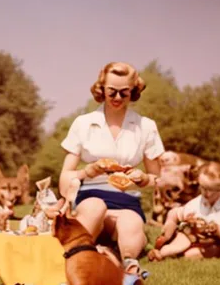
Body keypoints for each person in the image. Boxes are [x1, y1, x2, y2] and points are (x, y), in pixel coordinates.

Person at [59, 61, 165, 273]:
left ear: (133, 92)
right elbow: (64, 181)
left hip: (127, 199)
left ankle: (128, 265)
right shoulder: (83, 123)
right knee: (95, 207)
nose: (117, 98)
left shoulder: (146, 126)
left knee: (131, 223)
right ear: (101, 90)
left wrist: (143, 179)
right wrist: (86, 171)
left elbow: (158, 179)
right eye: (112, 92)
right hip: (90, 196)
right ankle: (77, 257)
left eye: (124, 93)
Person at [147, 162, 220, 261]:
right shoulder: (199, 201)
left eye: (212, 189)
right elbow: (174, 213)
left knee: (191, 254)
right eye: (203, 187)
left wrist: (218, 231)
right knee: (183, 236)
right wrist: (169, 226)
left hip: (219, 243)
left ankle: (182, 252)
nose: (206, 193)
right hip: (195, 238)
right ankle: (162, 252)